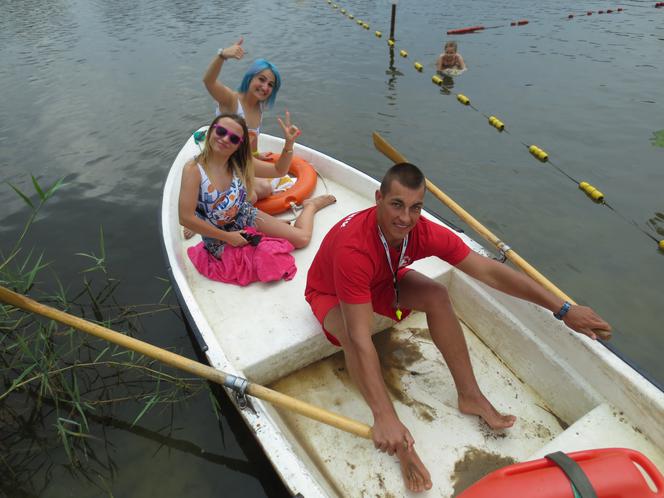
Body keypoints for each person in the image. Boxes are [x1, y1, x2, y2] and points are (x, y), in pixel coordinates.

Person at [304, 162, 611, 493]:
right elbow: (361, 339)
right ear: (378, 198)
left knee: (437, 294)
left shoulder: (420, 231)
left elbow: (489, 272)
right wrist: (384, 415)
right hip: (332, 292)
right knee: (353, 337)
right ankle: (402, 443)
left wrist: (563, 309)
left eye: (415, 208)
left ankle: (470, 396)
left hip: (381, 280)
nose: (405, 218)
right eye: (396, 205)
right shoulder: (355, 250)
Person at [179, 113, 335, 257]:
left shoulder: (239, 162)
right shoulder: (194, 170)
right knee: (261, 262)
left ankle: (311, 206)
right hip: (218, 236)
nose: (225, 139)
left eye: (234, 139)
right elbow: (185, 218)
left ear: (239, 144)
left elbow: (279, 170)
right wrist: (228, 237)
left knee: (302, 239)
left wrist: (288, 145)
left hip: (243, 215)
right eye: (221, 131)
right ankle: (268, 229)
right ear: (211, 130)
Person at [203, 36, 282, 200]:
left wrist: (255, 154)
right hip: (219, 162)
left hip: (237, 163)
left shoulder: (259, 108)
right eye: (261, 79)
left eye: (270, 85)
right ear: (250, 78)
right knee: (252, 195)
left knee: (265, 187)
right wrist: (222, 55)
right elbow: (209, 81)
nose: (265, 87)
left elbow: (252, 138)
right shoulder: (231, 100)